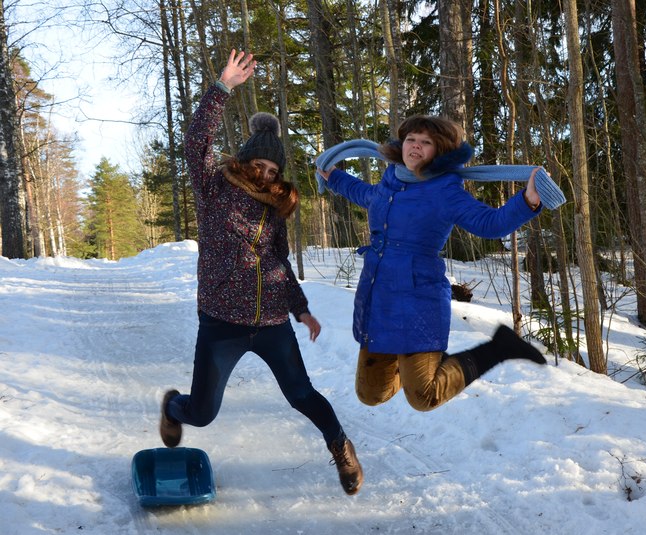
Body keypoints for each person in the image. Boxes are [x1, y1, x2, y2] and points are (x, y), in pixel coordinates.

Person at [159, 50, 362, 496]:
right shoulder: (213, 188)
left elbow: (279, 262)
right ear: (245, 160)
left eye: (273, 170)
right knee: (203, 413)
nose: (266, 175)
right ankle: (173, 408)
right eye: (260, 166)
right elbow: (195, 142)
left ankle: (340, 446)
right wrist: (222, 88)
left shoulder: (275, 210)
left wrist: (300, 309)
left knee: (302, 394)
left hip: (271, 323)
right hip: (221, 322)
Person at [317, 115, 547, 414]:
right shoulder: (391, 180)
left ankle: (498, 348)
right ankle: (416, 367)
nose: (415, 146)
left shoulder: (445, 190)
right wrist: (333, 176)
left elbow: (489, 223)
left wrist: (528, 200)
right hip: (378, 299)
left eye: (426, 142)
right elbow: (365, 195)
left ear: (440, 151)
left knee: (424, 397)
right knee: (371, 394)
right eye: (411, 139)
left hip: (418, 298)